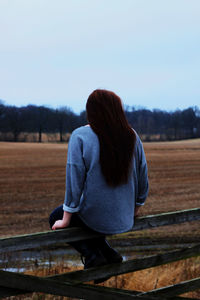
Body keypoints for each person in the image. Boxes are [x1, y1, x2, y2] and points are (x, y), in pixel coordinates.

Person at [49, 89, 148, 283]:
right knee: (85, 217)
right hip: (124, 218)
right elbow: (143, 175)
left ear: (91, 111)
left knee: (55, 215)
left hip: (96, 217)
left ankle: (96, 256)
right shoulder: (131, 135)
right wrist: (135, 209)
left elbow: (74, 181)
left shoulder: (80, 135)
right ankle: (108, 254)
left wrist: (66, 219)